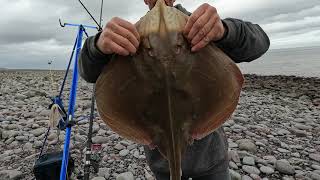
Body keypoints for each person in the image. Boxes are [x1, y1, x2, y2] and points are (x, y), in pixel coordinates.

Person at [79, 0, 270, 179]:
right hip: (162, 164)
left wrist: (226, 30)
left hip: (210, 162)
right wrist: (96, 46)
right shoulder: (128, 38)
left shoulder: (201, 29)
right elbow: (87, 71)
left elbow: (261, 41)